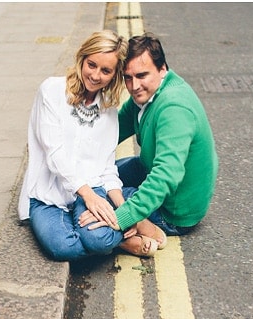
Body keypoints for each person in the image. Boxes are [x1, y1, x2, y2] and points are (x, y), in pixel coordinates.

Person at [17, 30, 162, 261]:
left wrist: (125, 210)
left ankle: (118, 218)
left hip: (93, 190)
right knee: (63, 247)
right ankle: (123, 241)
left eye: (106, 71)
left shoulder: (108, 111)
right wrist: (89, 198)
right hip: (48, 195)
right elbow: (54, 154)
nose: (95, 75)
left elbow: (105, 169)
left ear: (114, 75)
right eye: (91, 65)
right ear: (82, 59)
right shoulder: (52, 91)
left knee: (98, 239)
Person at [79, 34, 218, 238]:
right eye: (128, 77)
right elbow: (111, 132)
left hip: (174, 210)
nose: (134, 86)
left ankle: (142, 234)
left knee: (96, 203)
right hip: (148, 167)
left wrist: (121, 217)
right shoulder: (149, 94)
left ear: (162, 69)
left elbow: (165, 175)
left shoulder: (174, 108)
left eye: (142, 75)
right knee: (94, 177)